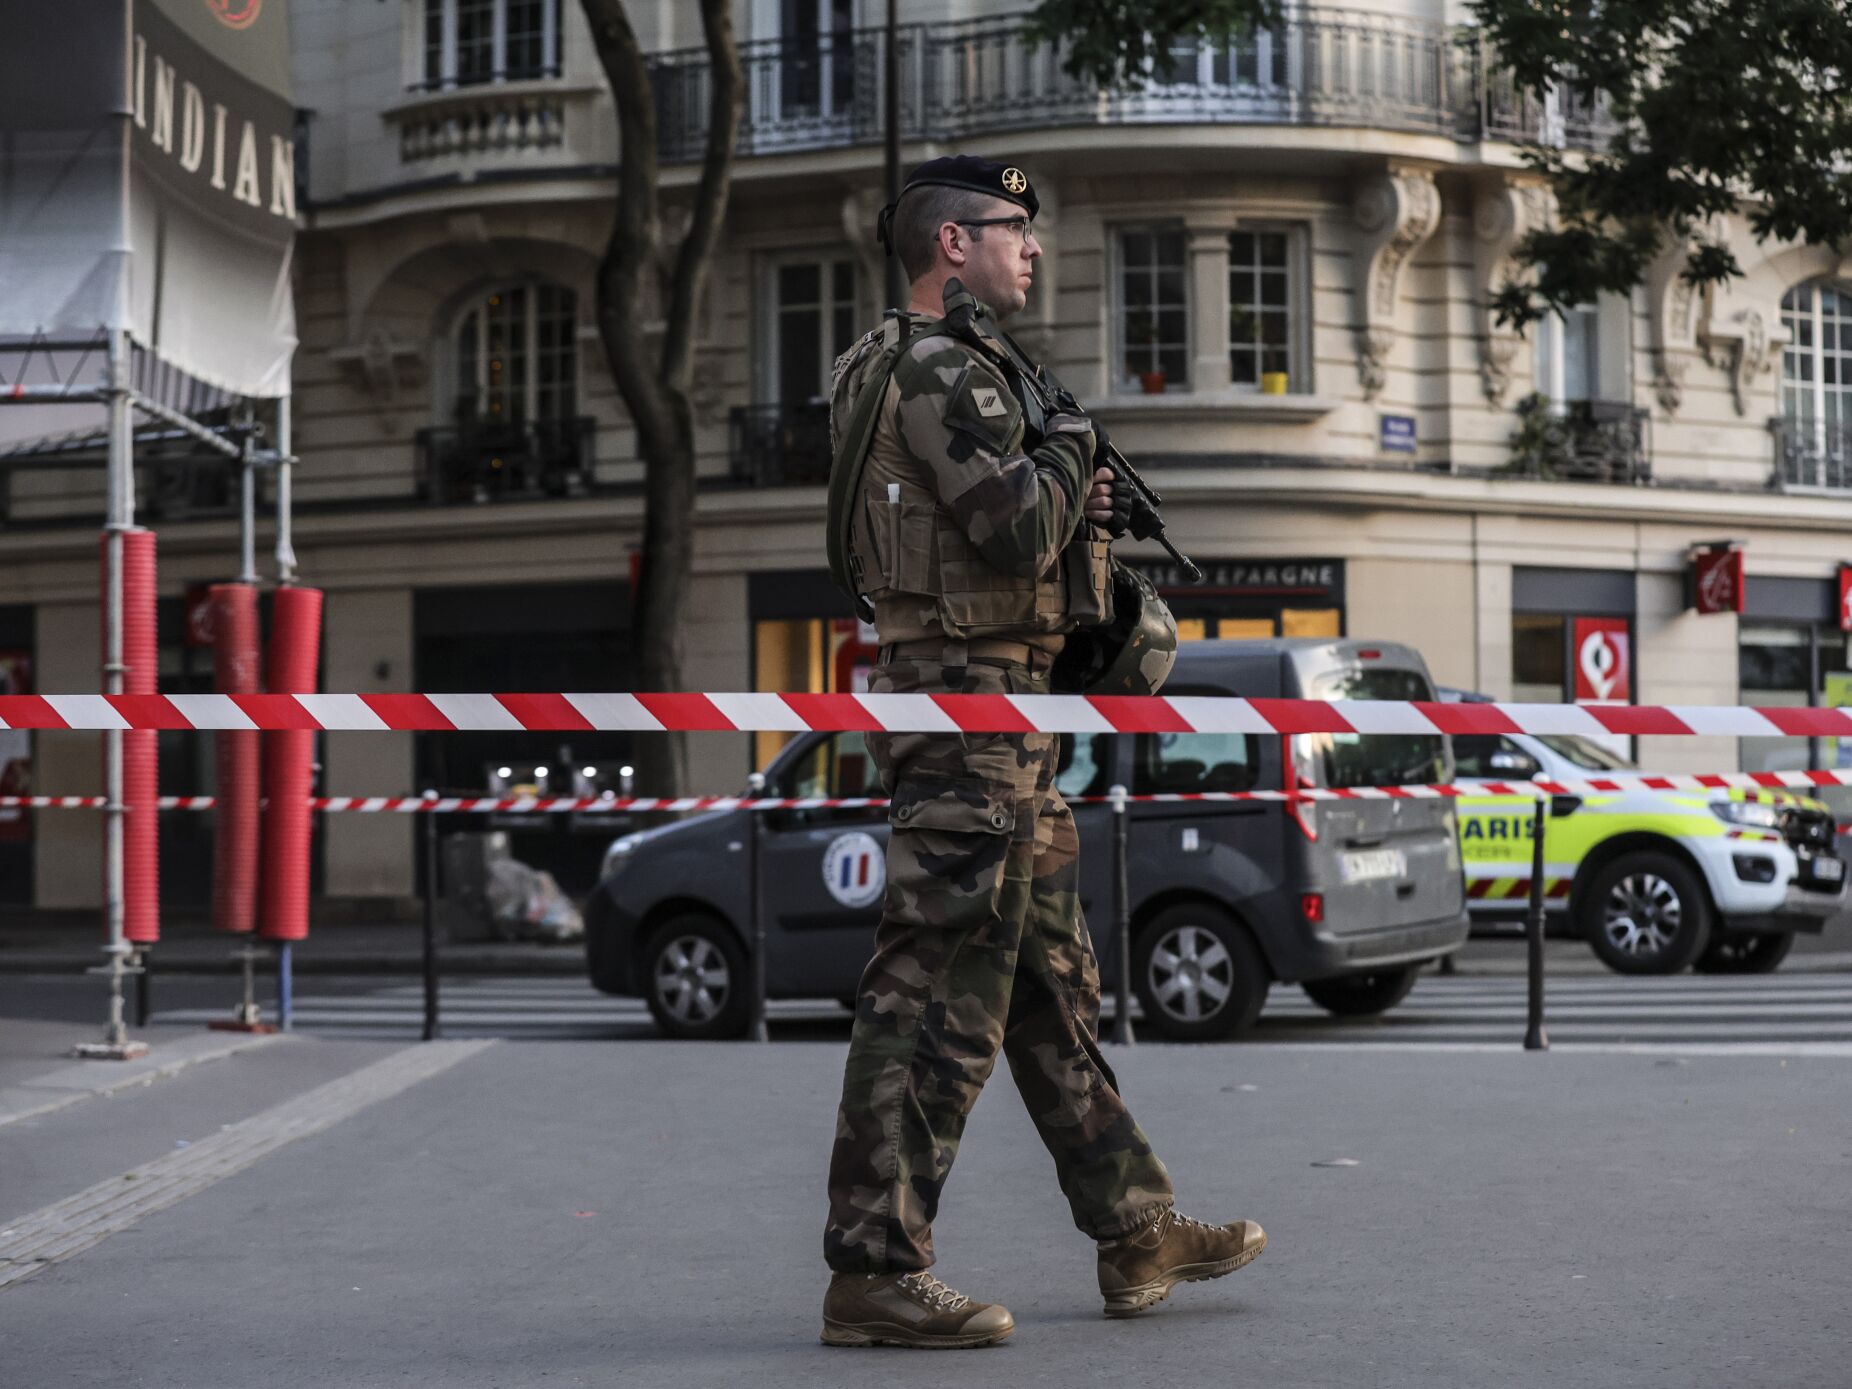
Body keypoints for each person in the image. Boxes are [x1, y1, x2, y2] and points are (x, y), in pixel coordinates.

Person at [818, 156, 1266, 1350]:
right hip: (967, 717)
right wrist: (1072, 455)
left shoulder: (902, 366)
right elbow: (1011, 525)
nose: (1031, 248)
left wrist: (1075, 493)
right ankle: (873, 1267)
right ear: (950, 245)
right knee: (929, 998)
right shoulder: (937, 366)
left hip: (1000, 713)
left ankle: (1135, 1227)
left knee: (1044, 992)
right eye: (1013, 229)